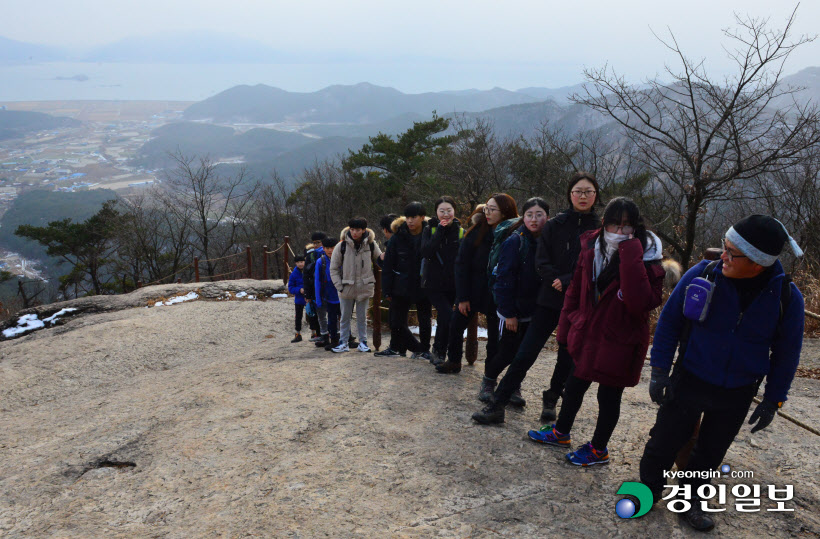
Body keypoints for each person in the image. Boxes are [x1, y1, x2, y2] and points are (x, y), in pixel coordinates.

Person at [639, 215, 804, 532]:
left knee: (711, 451)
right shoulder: (704, 275)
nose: (722, 255)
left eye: (731, 252)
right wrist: (659, 370)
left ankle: (691, 501)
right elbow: (669, 323)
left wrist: (773, 400)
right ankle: (648, 488)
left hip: (738, 390)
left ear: (757, 262)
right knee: (665, 439)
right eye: (725, 247)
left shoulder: (786, 298)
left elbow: (787, 355)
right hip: (690, 376)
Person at [527, 197, 669, 468]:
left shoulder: (648, 256)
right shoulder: (592, 246)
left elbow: (640, 302)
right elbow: (575, 290)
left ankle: (599, 449)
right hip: (589, 332)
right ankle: (561, 432)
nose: (619, 231)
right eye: (614, 223)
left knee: (608, 396)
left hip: (621, 341)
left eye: (627, 226)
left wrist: (629, 252)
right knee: (574, 384)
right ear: (604, 222)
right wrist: (566, 327)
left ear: (636, 227)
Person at [475, 173, 601, 422]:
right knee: (525, 353)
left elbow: (597, 265)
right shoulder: (555, 224)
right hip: (549, 299)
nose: (583, 196)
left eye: (588, 191)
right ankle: (498, 404)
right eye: (578, 191)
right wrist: (555, 278)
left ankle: (552, 397)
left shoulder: (600, 228)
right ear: (569, 194)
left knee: (566, 356)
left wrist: (566, 280)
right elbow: (541, 260)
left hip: (579, 303)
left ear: (596, 195)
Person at [471, 197, 549, 422]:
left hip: (535, 309)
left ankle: (513, 385)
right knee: (507, 351)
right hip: (513, 309)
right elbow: (503, 278)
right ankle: (488, 381)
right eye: (529, 215)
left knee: (524, 354)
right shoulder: (516, 241)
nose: (534, 219)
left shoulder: (546, 240)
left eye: (539, 215)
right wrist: (509, 313)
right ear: (523, 217)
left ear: (547, 217)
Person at [436, 194, 518, 374]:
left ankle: (490, 373)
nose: (486, 213)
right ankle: (454, 361)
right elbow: (461, 265)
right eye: (486, 208)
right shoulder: (476, 231)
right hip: (472, 291)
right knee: (455, 326)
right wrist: (462, 297)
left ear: (505, 212)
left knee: (494, 339)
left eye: (492, 209)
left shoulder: (513, 234)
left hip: (497, 294)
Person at [376, 202, 432, 359]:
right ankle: (418, 348)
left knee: (424, 319)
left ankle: (425, 349)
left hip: (424, 284)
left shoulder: (431, 234)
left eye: (414, 217)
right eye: (407, 217)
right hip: (401, 284)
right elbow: (388, 266)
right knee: (396, 322)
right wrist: (386, 289)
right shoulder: (398, 237)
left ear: (422, 217)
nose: (410, 221)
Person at [330, 217, 383, 353]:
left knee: (362, 318)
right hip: (346, 287)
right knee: (344, 317)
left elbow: (379, 260)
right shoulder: (341, 245)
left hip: (364, 286)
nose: (354, 232)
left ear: (364, 230)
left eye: (357, 230)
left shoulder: (371, 244)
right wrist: (339, 286)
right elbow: (334, 268)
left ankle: (363, 342)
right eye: (352, 229)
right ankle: (343, 342)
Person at [420, 196, 463, 363]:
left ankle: (439, 351)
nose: (446, 214)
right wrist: (439, 230)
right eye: (442, 211)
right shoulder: (429, 229)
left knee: (444, 318)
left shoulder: (460, 231)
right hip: (433, 283)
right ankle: (439, 350)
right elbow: (426, 252)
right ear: (436, 213)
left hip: (452, 283)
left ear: (454, 211)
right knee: (447, 314)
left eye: (449, 210)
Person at [314, 237, 341, 351]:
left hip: (342, 294)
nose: (330, 250)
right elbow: (317, 281)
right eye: (327, 248)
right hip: (328, 296)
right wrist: (318, 299)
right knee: (331, 319)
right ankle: (334, 340)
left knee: (344, 318)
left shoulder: (342, 259)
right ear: (323, 248)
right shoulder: (321, 261)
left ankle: (346, 339)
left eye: (332, 248)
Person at [304, 231, 328, 342]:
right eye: (314, 243)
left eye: (318, 242)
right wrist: (307, 294)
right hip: (315, 287)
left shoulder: (330, 252)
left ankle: (335, 334)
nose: (316, 245)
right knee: (319, 312)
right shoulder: (311, 255)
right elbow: (306, 275)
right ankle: (321, 334)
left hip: (329, 286)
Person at [287, 255, 307, 343]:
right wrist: (299, 290)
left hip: (309, 297)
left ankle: (315, 333)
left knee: (313, 315)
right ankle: (298, 334)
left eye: (302, 262)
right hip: (299, 298)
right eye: (298, 262)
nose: (300, 264)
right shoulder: (294, 274)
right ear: (295, 263)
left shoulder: (309, 270)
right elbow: (290, 288)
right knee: (298, 317)